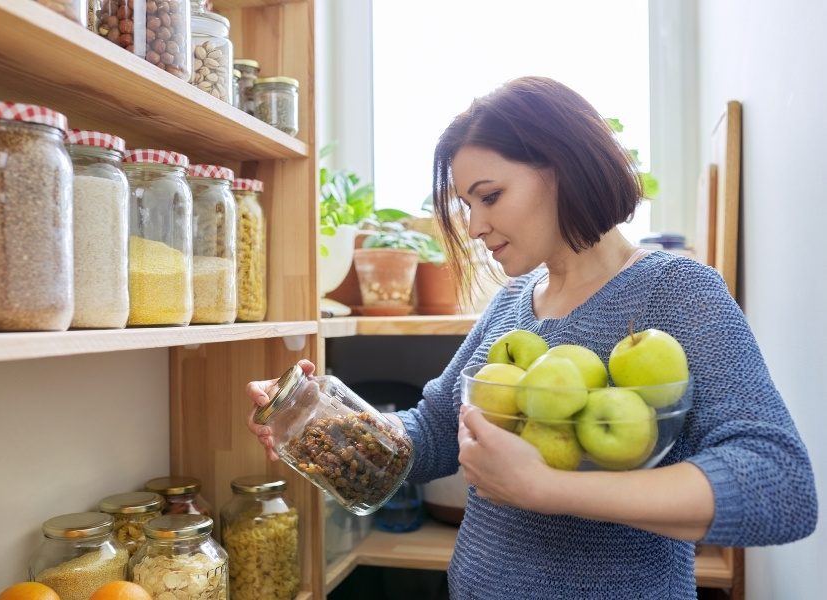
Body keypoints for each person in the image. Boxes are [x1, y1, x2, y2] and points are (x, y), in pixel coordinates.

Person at [246, 77, 818, 598]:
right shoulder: (510, 306)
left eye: (489, 196)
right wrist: (325, 423)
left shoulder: (676, 291)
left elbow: (780, 485)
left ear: (561, 166)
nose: (473, 227)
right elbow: (438, 431)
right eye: (466, 205)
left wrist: (547, 488)